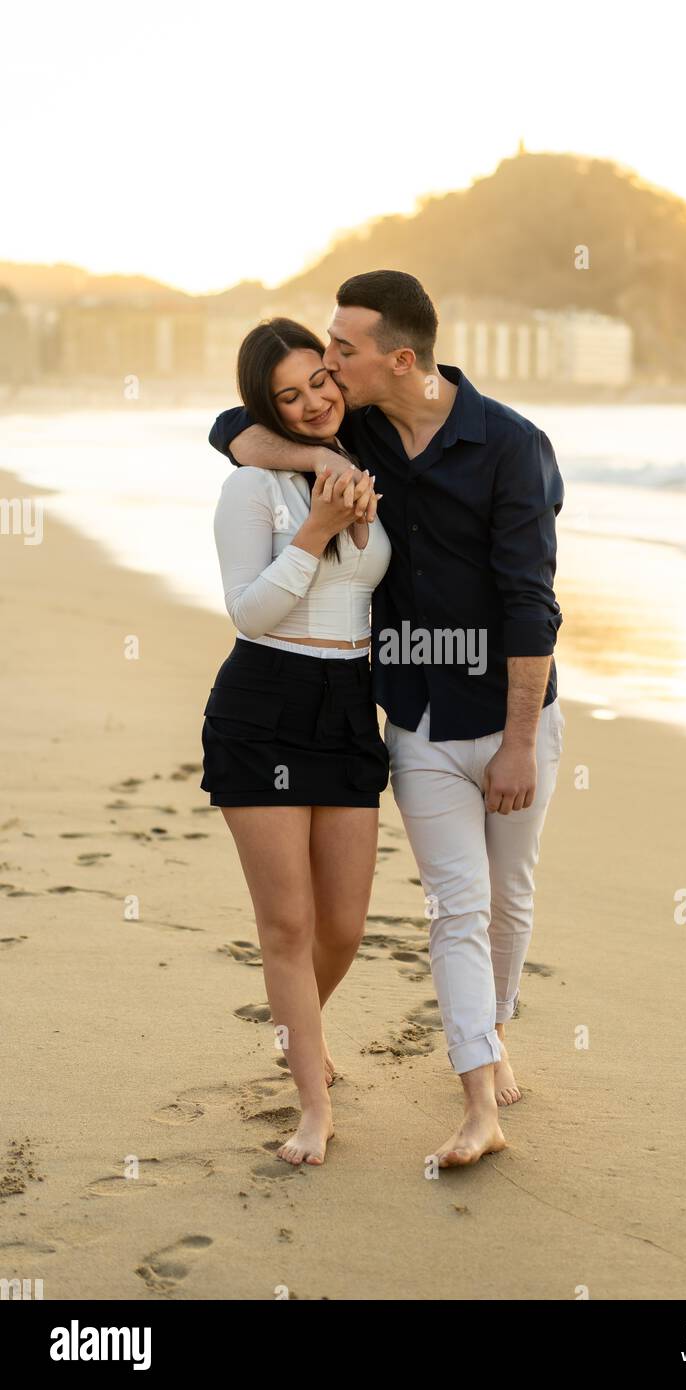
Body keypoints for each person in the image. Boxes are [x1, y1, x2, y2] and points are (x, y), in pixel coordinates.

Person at [209, 271, 565, 1169]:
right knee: (448, 904)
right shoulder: (348, 437)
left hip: (468, 711)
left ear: (397, 359)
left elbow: (531, 601)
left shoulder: (512, 446)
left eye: (339, 354)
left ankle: (487, 1027)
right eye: (315, 364)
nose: (326, 374)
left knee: (491, 906)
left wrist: (521, 739)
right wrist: (314, 468)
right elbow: (233, 429)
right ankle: (451, 1096)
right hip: (392, 712)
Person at [201, 317, 390, 1167]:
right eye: (289, 396)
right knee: (287, 924)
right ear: (265, 407)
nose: (313, 402)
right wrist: (312, 529)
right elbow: (248, 611)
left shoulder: (364, 454)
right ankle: (311, 1107)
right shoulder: (250, 487)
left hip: (349, 705)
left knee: (343, 926)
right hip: (264, 701)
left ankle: (297, 1034)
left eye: (320, 380)